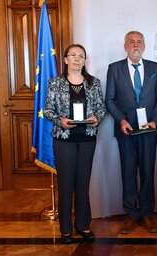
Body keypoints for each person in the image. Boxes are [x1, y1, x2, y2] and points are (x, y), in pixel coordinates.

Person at [44, 44, 106, 244]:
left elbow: (101, 108)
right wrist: (60, 120)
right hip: (63, 140)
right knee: (66, 183)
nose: (77, 59)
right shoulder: (55, 83)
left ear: (85, 60)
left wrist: (97, 117)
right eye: (73, 55)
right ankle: (65, 229)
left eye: (81, 56)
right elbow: (48, 110)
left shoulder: (93, 83)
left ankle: (83, 225)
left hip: (87, 138)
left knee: (82, 183)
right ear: (65, 60)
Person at [105, 31, 157, 234]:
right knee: (128, 173)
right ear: (125, 46)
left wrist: (155, 121)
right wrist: (121, 120)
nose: (136, 45)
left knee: (148, 172)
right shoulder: (114, 69)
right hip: (126, 131)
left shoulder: (155, 68)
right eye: (132, 42)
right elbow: (109, 100)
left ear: (145, 46)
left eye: (139, 42)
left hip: (149, 131)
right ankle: (131, 215)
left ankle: (147, 214)